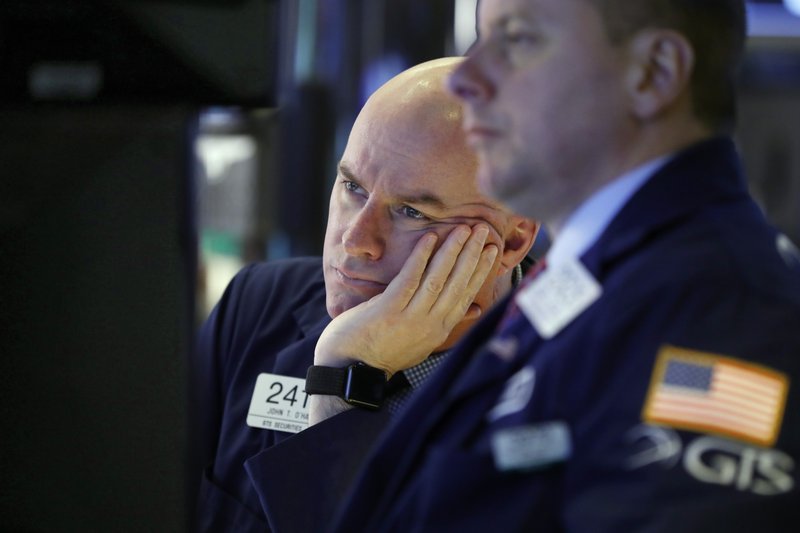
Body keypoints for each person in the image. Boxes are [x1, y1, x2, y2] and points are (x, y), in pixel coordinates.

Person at [280, 0, 800, 530]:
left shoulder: (721, 310)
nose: (468, 79)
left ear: (653, 73)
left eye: (519, 41)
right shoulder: (591, 278)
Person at [192, 56, 538, 532]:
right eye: (352, 186)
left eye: (412, 212)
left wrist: (343, 385)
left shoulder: (568, 372)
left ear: (514, 240)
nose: (356, 241)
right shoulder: (257, 305)